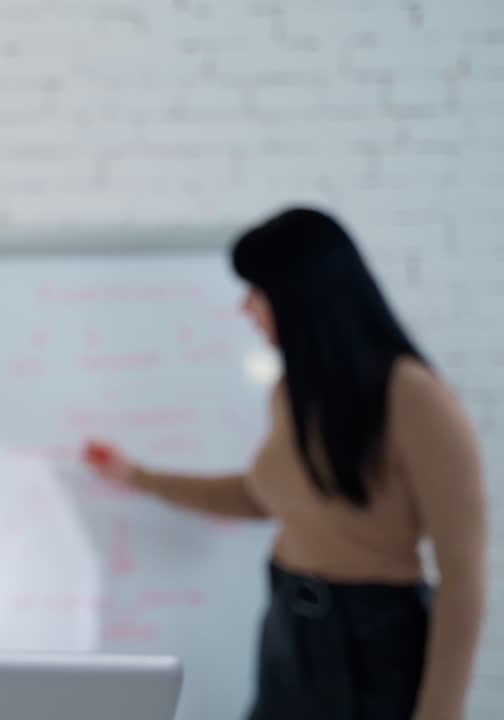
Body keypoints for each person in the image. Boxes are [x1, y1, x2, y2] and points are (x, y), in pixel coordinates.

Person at [83, 208, 485, 720]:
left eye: (257, 292)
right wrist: (135, 476)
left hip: (373, 643)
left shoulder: (415, 398)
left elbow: (465, 577)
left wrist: (440, 713)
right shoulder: (293, 393)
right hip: (289, 627)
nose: (245, 309)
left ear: (301, 295)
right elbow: (260, 495)